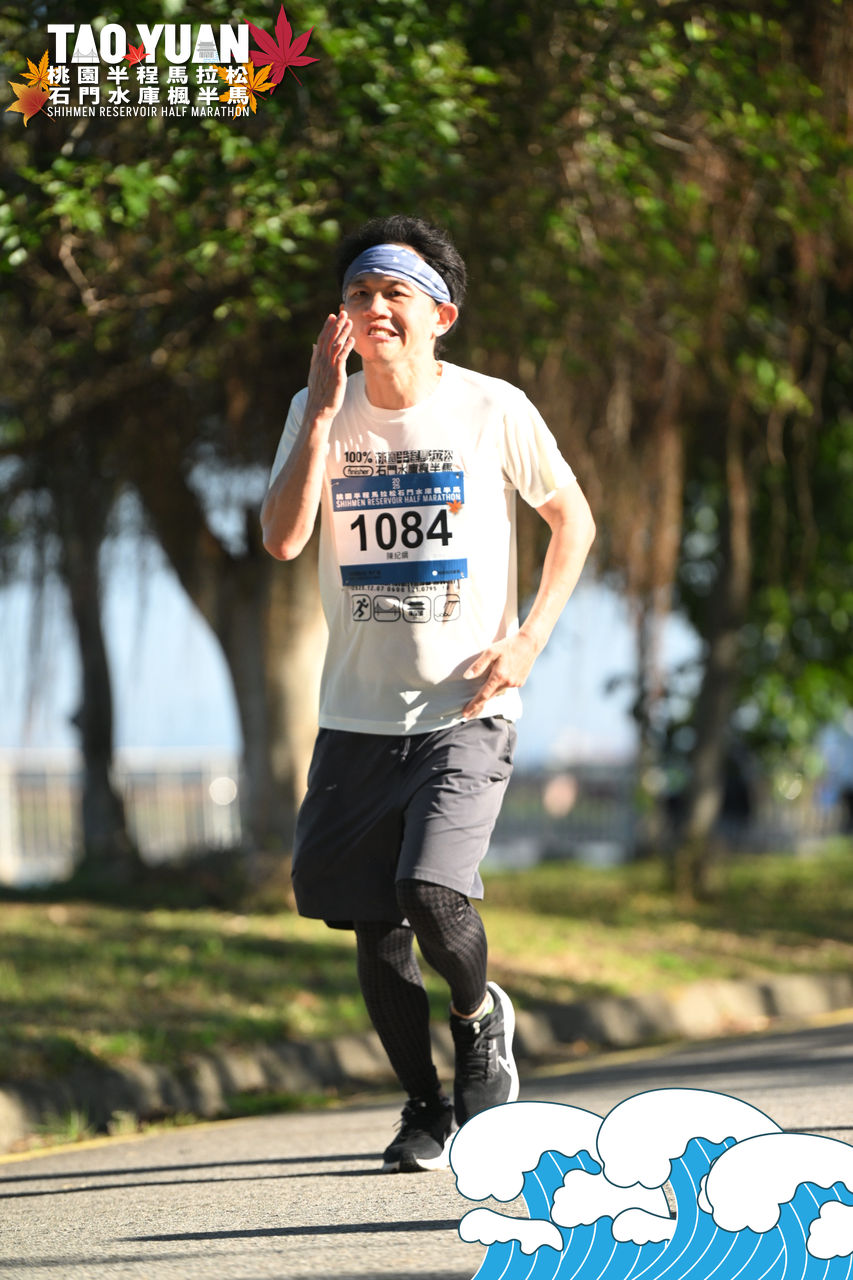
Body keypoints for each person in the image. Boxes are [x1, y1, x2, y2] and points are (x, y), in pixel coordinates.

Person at [261, 214, 595, 1173]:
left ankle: (478, 1017)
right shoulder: (316, 408)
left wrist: (528, 639)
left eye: (393, 293)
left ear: (440, 315)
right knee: (375, 926)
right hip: (355, 716)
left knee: (429, 891)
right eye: (358, 293)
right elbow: (282, 539)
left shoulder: (492, 407)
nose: (374, 308)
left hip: (467, 707)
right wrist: (321, 414)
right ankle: (423, 1110)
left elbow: (571, 520)